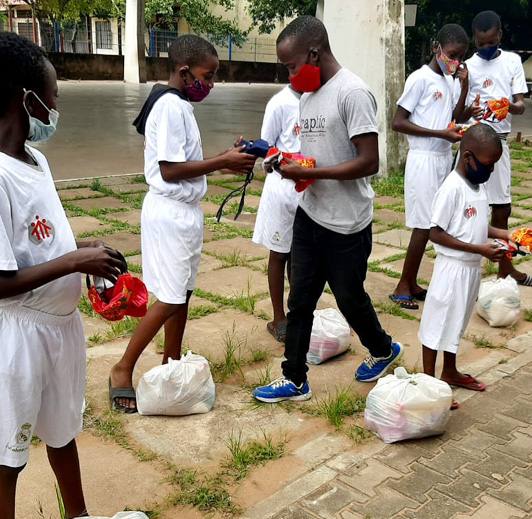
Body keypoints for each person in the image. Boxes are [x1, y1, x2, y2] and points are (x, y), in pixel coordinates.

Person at [0, 32, 127, 519]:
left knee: (62, 434)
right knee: (6, 459)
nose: (56, 107)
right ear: (25, 98)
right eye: (52, 96)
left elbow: (39, 244)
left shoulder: (35, 161)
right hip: (18, 339)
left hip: (60, 330)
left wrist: (82, 252)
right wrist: (73, 261)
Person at [252, 16, 405, 403]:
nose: (290, 77)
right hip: (310, 214)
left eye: (292, 67)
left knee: (349, 298)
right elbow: (316, 157)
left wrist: (311, 171)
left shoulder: (352, 93)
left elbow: (369, 161)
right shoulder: (307, 96)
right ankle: (294, 378)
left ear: (314, 54)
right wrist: (287, 163)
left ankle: (383, 348)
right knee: (300, 300)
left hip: (347, 223)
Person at [106, 35, 256, 413]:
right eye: (208, 75)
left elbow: (184, 161)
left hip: (184, 212)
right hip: (170, 213)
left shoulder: (178, 105)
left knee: (182, 294)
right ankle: (122, 368)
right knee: (171, 297)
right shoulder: (171, 106)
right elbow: (170, 170)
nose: (212, 83)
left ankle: (170, 362)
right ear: (184, 71)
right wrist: (222, 163)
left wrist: (224, 158)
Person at [419, 126, 512, 394]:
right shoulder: (452, 188)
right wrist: (480, 249)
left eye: (494, 164)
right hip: (452, 269)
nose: (491, 170)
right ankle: (429, 384)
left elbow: (478, 224)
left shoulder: (478, 186)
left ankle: (449, 371)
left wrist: (505, 234)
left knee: (457, 321)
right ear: (468, 157)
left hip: (471, 268)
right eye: (487, 164)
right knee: (437, 324)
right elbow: (435, 233)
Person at [387, 23, 474, 310]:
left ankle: (412, 283)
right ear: (437, 48)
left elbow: (453, 118)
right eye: (452, 54)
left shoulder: (449, 81)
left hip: (442, 158)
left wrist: (464, 88)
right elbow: (398, 122)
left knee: (435, 221)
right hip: (423, 159)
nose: (456, 61)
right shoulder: (420, 79)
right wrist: (440, 134)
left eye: (461, 56)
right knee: (423, 226)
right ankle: (402, 286)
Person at [465, 10, 532, 285]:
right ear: (474, 40)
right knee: (468, 206)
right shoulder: (468, 66)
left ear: (500, 35)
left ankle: (505, 268)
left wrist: (507, 106)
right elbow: (460, 108)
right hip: (473, 141)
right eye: (480, 43)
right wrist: (471, 110)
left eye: (491, 42)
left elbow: (520, 105)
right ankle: (467, 265)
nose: (485, 48)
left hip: (500, 141)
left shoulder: (512, 61)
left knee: (501, 208)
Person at [249, 82, 303, 342]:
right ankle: (279, 317)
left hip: (308, 186)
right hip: (282, 188)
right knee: (280, 252)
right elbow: (266, 150)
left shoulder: (317, 98)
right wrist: (285, 164)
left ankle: (298, 311)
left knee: (300, 254)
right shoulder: (279, 103)